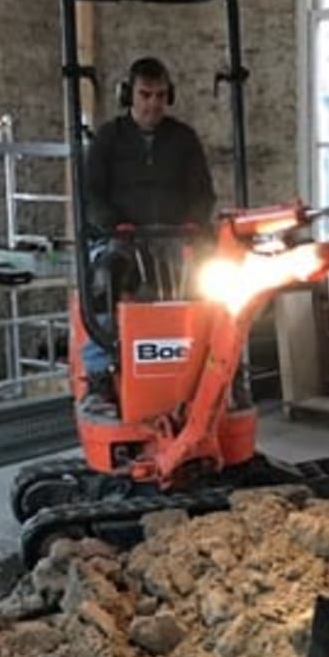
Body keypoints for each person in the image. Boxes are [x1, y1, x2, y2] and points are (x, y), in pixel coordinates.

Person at [81, 55, 216, 414]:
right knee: (105, 276)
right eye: (145, 94)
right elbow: (91, 193)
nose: (153, 103)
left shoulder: (183, 140)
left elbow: (203, 194)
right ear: (129, 96)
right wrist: (113, 223)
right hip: (123, 237)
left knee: (216, 280)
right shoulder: (109, 139)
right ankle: (98, 379)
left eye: (159, 95)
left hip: (177, 237)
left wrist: (193, 223)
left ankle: (219, 372)